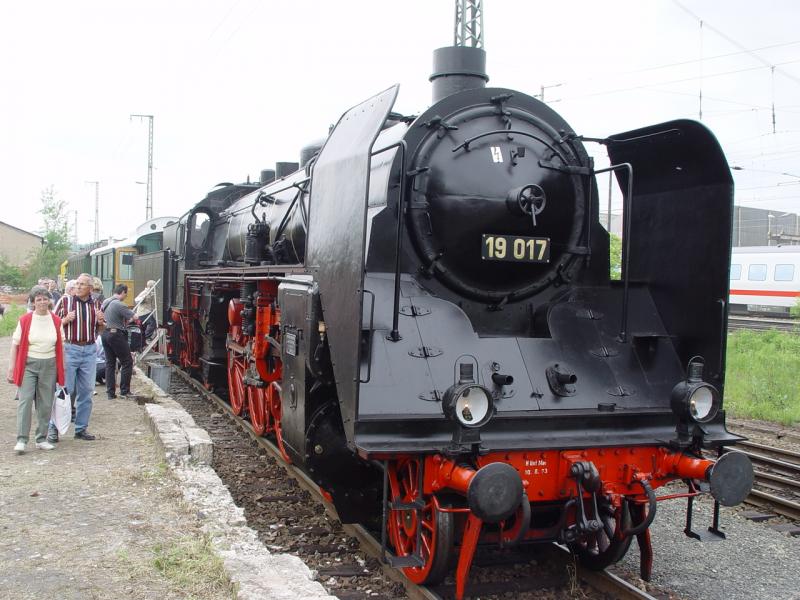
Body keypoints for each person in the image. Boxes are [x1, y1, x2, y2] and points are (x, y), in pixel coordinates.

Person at [7, 286, 66, 454]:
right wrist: (12, 368)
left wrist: (63, 368)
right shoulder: (25, 320)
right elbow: (15, 345)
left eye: (44, 299)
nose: (42, 302)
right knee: (25, 402)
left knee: (46, 403)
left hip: (49, 365)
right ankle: (21, 440)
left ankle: (41, 438)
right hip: (29, 365)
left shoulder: (56, 320)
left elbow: (61, 346)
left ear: (49, 301)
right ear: (33, 303)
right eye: (38, 299)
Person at [50, 273, 105, 442]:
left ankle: (81, 428)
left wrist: (101, 323)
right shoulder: (66, 301)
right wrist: (65, 319)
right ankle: (54, 428)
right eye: (77, 284)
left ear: (90, 288)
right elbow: (52, 322)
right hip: (70, 348)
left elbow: (100, 331)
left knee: (86, 391)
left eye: (82, 284)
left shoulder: (96, 303)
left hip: (89, 349)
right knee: (65, 390)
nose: (78, 287)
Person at [100, 284, 136, 400]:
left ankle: (110, 393)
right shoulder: (119, 304)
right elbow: (135, 317)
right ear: (123, 292)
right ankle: (124, 391)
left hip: (105, 334)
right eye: (126, 294)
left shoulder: (106, 302)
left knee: (110, 363)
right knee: (127, 361)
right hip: (116, 333)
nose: (126, 296)